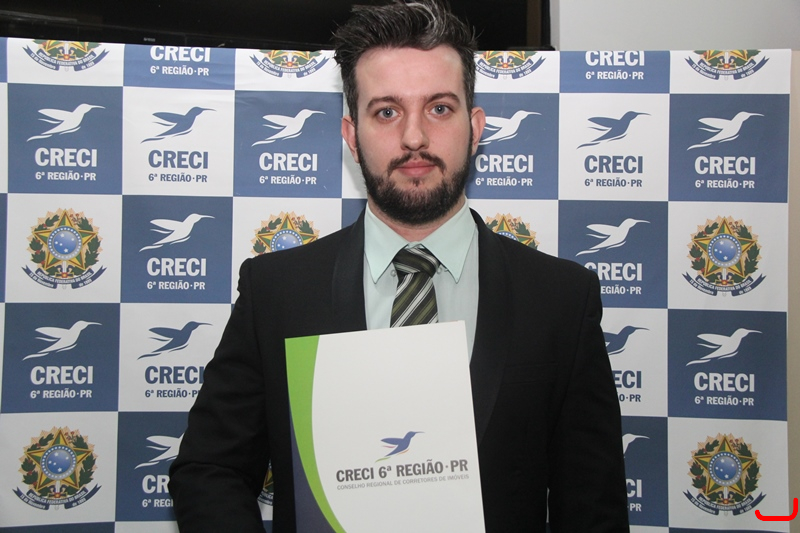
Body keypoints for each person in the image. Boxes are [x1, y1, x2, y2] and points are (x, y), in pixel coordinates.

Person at [169, 1, 629, 531]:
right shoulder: (276, 292)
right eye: (387, 112)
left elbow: (593, 507)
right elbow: (209, 470)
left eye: (440, 108)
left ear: (475, 127)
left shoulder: (560, 299)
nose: (414, 137)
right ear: (351, 135)